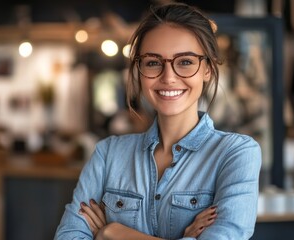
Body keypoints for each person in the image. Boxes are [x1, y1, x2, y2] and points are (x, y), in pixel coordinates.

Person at [54, 2, 262, 239]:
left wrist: (113, 232)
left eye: (185, 61)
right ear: (139, 70)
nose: (169, 77)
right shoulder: (108, 154)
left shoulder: (237, 153)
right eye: (153, 62)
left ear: (208, 70)